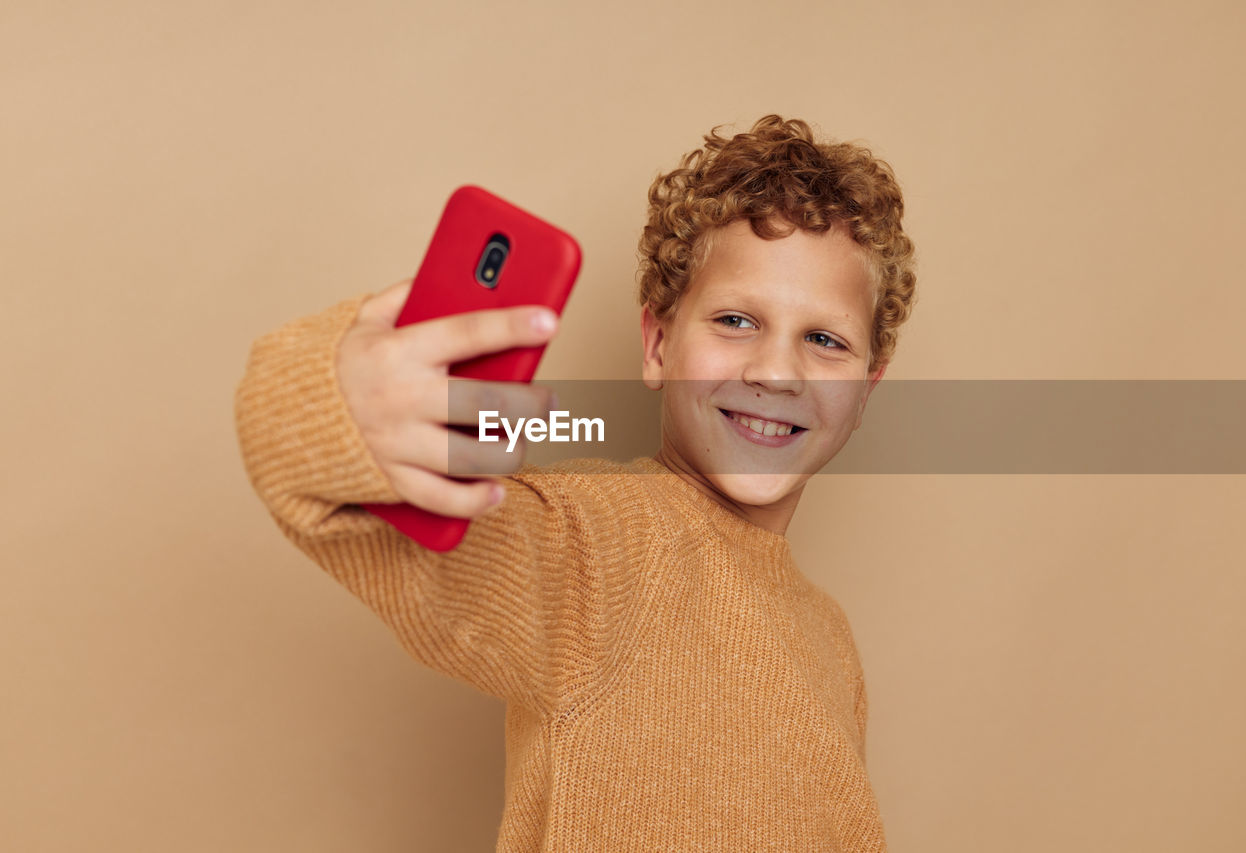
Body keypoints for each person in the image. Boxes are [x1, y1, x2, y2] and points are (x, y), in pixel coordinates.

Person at [234, 114, 916, 851]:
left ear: (866, 390)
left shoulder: (831, 639)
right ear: (657, 344)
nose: (776, 371)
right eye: (735, 319)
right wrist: (330, 401)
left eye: (824, 340)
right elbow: (416, 539)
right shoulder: (599, 551)